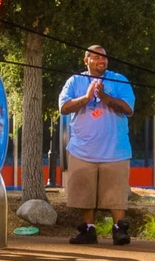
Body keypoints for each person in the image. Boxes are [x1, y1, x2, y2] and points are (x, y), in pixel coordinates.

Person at [57, 44, 136, 246]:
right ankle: (88, 230)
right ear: (86, 60)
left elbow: (128, 109)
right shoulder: (75, 81)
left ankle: (119, 229)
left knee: (116, 193)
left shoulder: (118, 80)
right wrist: (86, 97)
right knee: (85, 193)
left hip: (115, 150)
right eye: (96, 57)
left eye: (104, 57)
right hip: (82, 149)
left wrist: (105, 97)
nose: (101, 61)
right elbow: (64, 108)